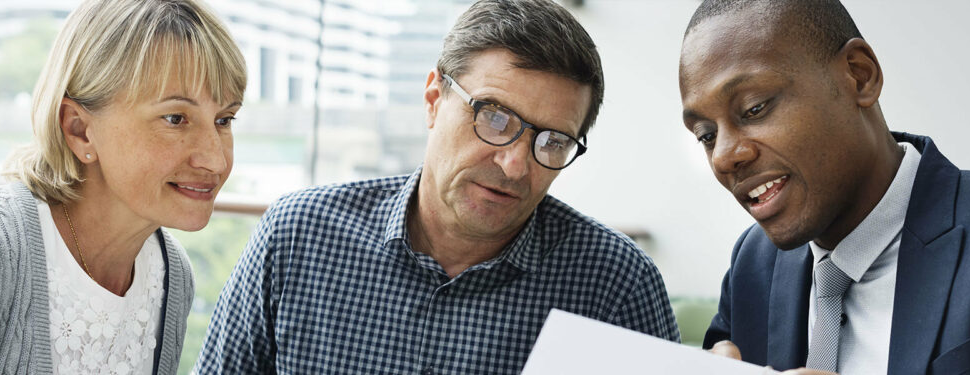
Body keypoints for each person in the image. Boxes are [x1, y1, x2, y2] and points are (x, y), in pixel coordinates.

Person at [194, 0, 679, 373]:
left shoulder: (616, 284)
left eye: (552, 141)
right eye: (495, 116)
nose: (514, 165)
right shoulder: (297, 235)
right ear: (433, 99)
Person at [678, 0, 970, 374]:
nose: (723, 157)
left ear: (859, 75)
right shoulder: (754, 264)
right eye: (706, 135)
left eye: (754, 108)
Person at [0, 0, 246, 373]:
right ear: (80, 130)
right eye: (175, 118)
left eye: (224, 119)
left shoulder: (172, 275)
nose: (215, 160)